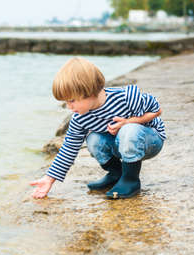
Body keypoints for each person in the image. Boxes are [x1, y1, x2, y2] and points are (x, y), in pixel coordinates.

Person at [30, 57, 165, 199]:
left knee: (129, 129)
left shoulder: (125, 98)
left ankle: (130, 179)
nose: (68, 107)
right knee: (93, 139)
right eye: (66, 102)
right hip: (121, 144)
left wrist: (129, 121)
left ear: (92, 92)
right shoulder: (80, 118)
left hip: (150, 141)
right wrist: (49, 179)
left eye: (72, 101)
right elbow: (69, 148)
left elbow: (156, 109)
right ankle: (116, 173)